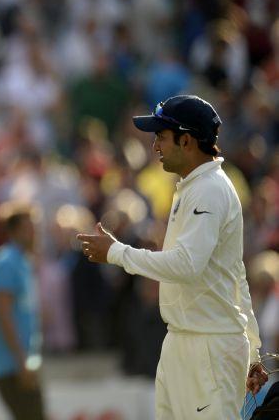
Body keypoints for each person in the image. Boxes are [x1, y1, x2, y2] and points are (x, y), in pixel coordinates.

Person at [77, 95, 268, 419]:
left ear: (187, 140)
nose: (155, 147)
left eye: (161, 137)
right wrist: (253, 347)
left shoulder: (209, 189)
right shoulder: (192, 187)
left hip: (209, 347)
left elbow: (186, 265)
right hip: (185, 342)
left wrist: (116, 252)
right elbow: (234, 273)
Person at [0, 201, 46, 420]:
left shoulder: (22, 261)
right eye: (30, 228)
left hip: (21, 363)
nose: (35, 233)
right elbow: (3, 314)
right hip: (12, 366)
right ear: (14, 231)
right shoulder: (7, 261)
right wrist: (22, 363)